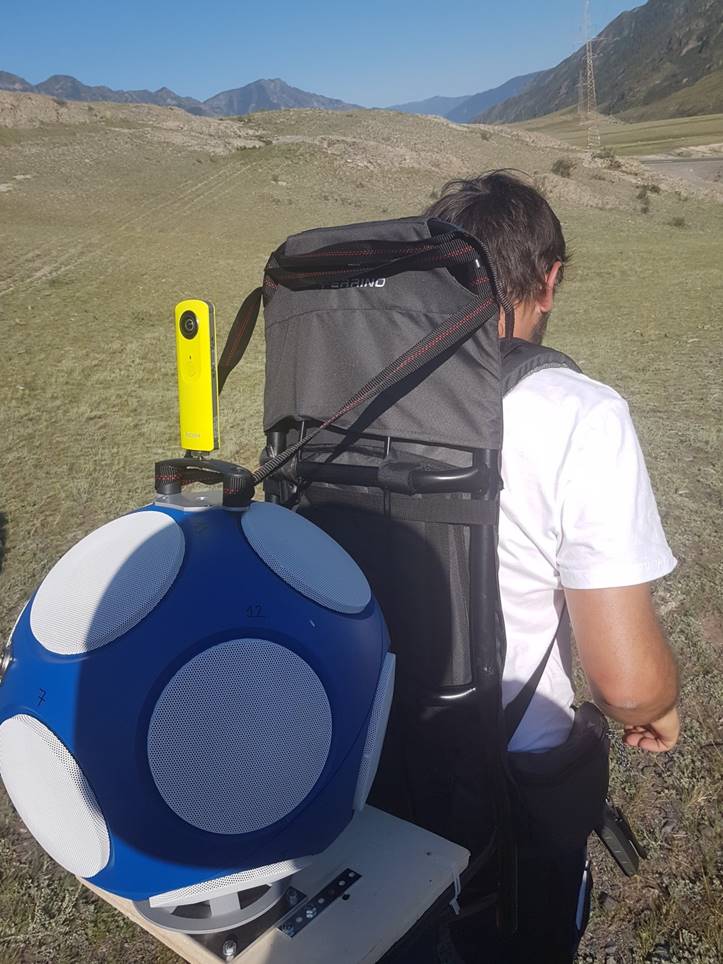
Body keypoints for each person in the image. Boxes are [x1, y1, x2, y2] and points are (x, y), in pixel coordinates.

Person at [424, 172, 680, 963]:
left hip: (382, 757)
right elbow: (625, 681)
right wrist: (655, 706)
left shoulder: (372, 401)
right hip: (512, 777)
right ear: (550, 278)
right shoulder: (580, 413)